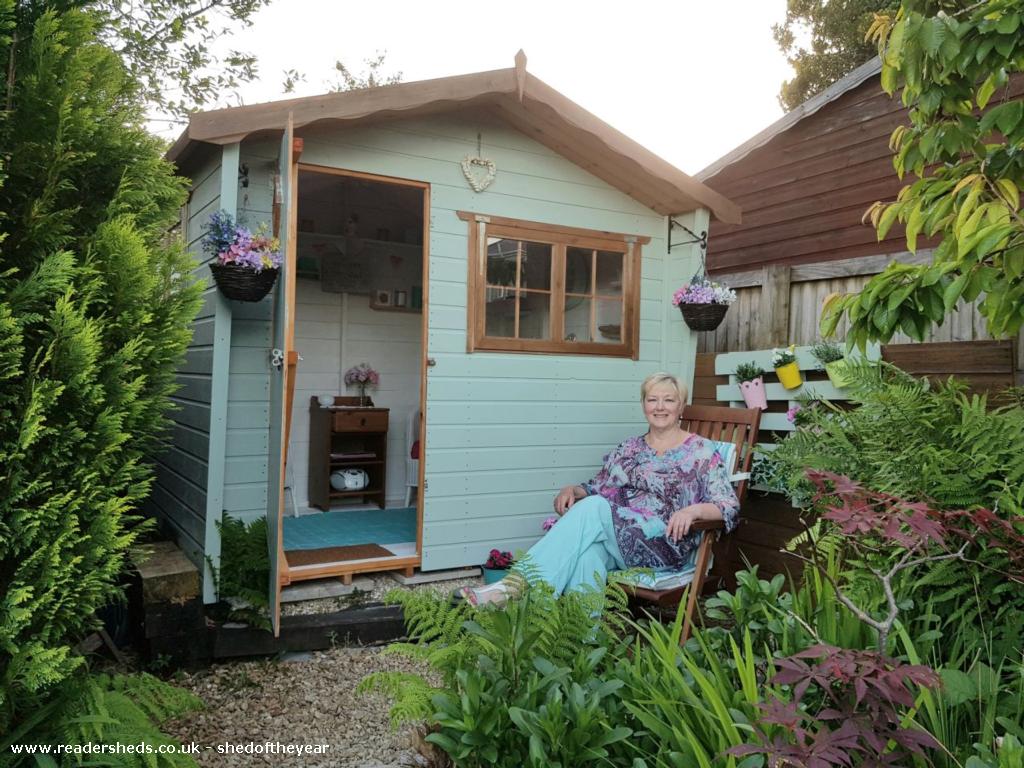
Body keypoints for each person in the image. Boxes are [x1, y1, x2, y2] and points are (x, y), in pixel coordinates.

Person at [456, 372, 740, 606]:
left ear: (681, 406)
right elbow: (598, 487)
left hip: (664, 543)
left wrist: (693, 510)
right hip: (623, 540)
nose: (660, 407)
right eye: (652, 399)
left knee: (592, 508)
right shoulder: (630, 448)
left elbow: (727, 505)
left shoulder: (700, 450)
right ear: (643, 405)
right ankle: (581, 646)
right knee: (587, 554)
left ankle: (512, 588)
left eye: (668, 400)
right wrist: (574, 490)